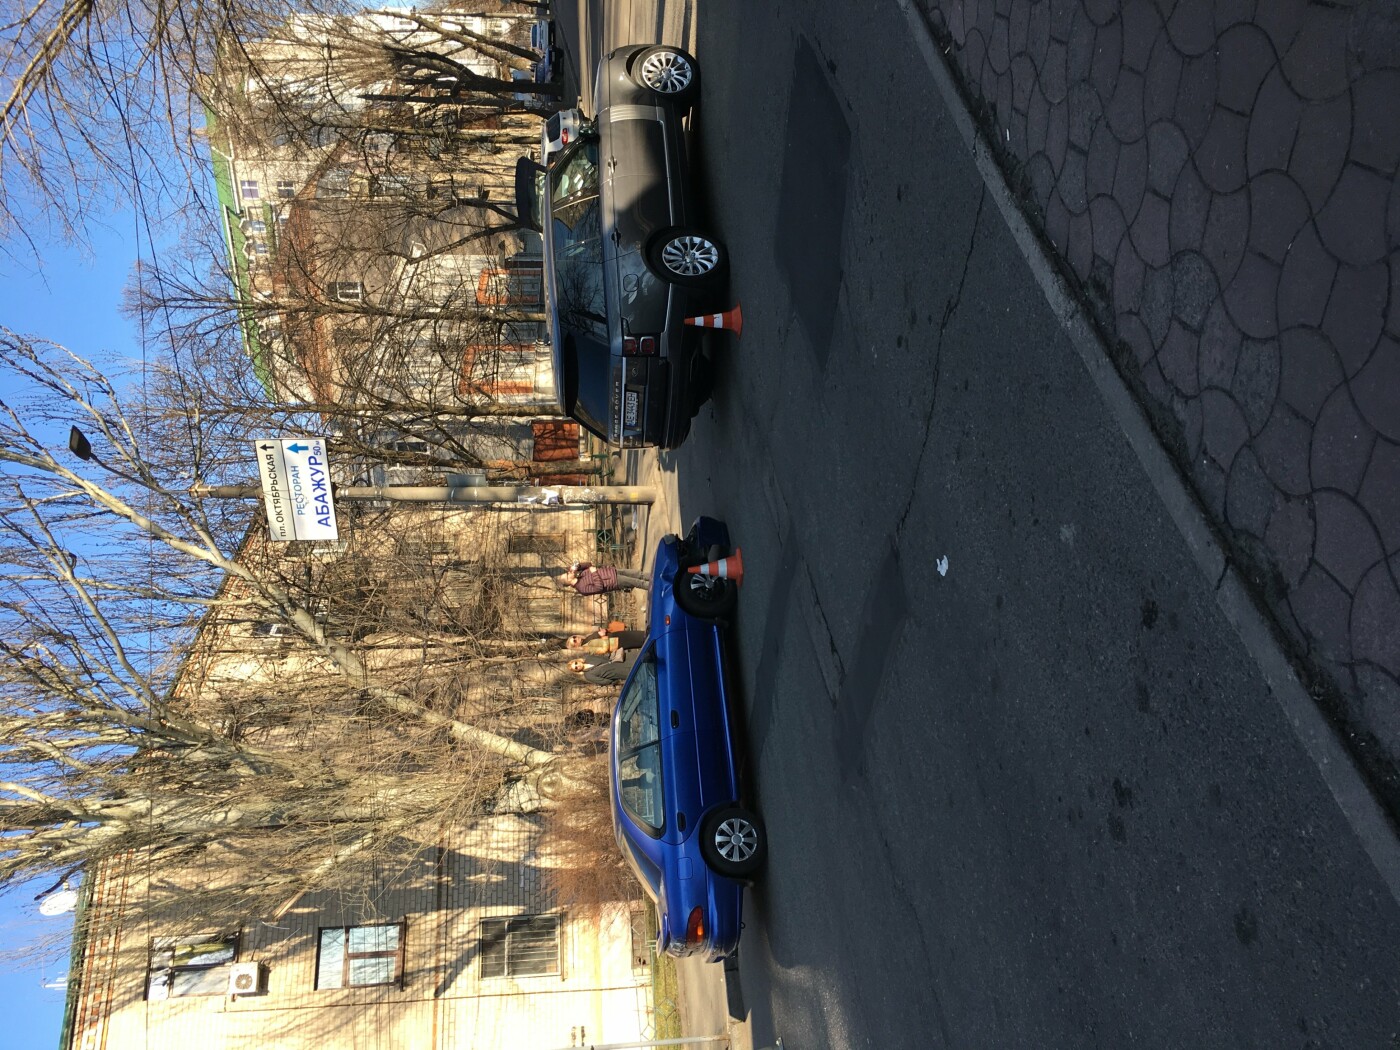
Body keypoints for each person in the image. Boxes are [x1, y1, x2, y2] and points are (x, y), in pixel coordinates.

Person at [559, 560, 650, 595]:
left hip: (613, 571)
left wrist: (578, 566)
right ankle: (656, 586)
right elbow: (598, 588)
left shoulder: (580, 574)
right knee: (638, 583)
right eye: (567, 574)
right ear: (569, 580)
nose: (569, 572)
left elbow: (589, 564)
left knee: (639, 574)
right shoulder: (582, 589)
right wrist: (594, 573)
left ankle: (655, 576)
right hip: (614, 581)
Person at [567, 649, 640, 686]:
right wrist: (614, 678)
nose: (577, 665)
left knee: (641, 656)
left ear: (577, 661)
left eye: (576, 663)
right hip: (620, 672)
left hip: (622, 660)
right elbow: (604, 681)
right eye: (576, 668)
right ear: (577, 671)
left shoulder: (589, 658)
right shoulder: (588, 676)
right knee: (640, 669)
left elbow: (603, 656)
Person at [565, 624, 648, 654]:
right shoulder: (587, 648)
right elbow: (603, 650)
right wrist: (604, 637)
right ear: (575, 646)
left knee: (642, 635)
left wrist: (602, 631)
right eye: (574, 641)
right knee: (642, 639)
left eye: (574, 637)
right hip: (617, 643)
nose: (576, 639)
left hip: (616, 636)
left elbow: (598, 635)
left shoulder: (587, 637)